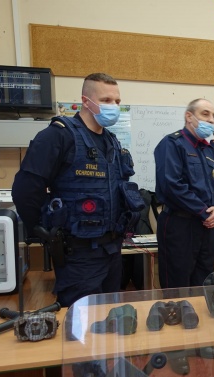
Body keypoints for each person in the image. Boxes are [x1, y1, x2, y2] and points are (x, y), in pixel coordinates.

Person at [12, 72, 141, 308]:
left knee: (109, 315)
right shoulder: (58, 135)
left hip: (112, 250)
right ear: (86, 101)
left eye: (117, 101)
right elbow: (25, 189)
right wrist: (42, 231)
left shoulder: (112, 141)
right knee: (82, 320)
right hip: (79, 253)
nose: (113, 106)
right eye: (106, 100)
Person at [154, 98, 214, 289]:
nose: (211, 120)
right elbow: (172, 186)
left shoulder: (209, 150)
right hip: (180, 225)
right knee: (177, 285)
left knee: (204, 282)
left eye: (213, 116)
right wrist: (204, 212)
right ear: (189, 117)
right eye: (205, 114)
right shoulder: (172, 144)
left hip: (207, 227)